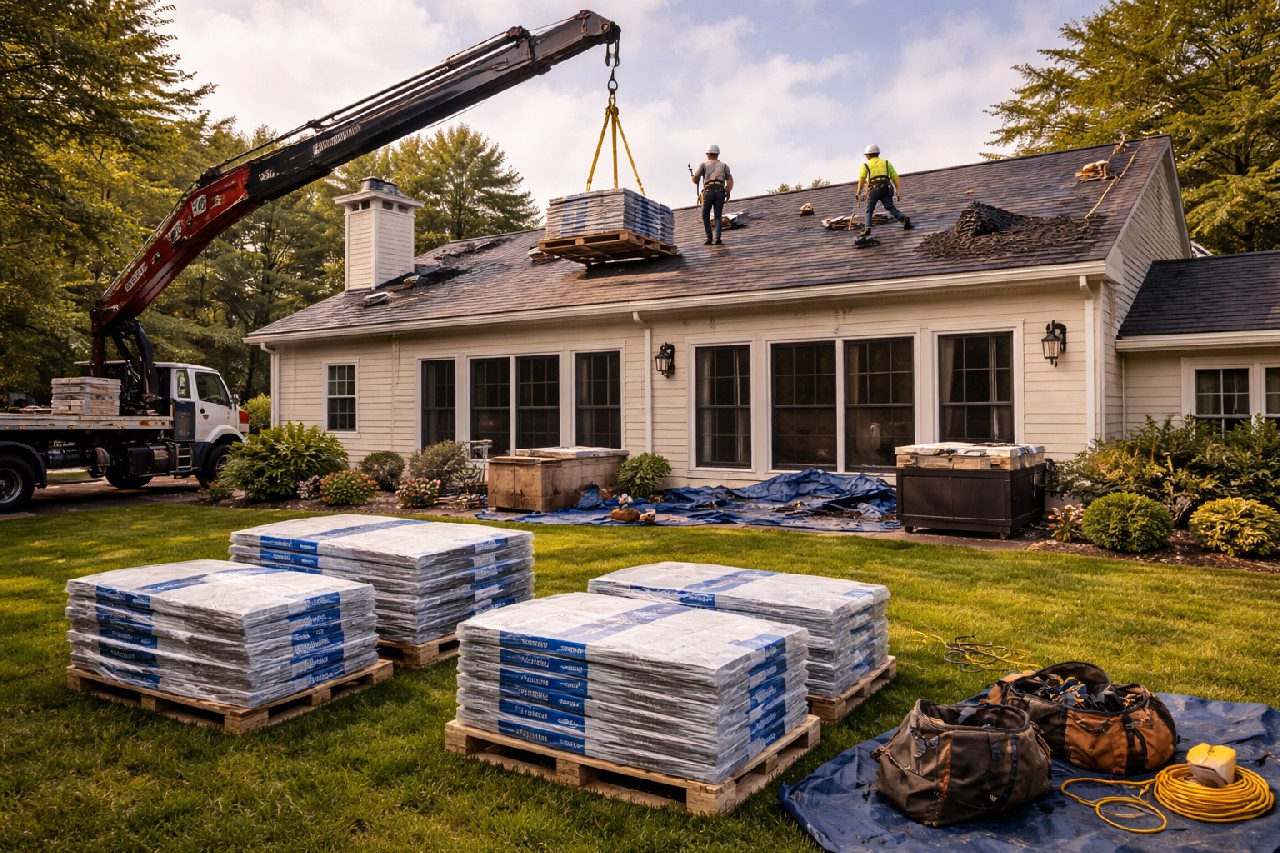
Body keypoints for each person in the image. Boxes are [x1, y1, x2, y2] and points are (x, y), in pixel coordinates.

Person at [852, 144, 911, 236]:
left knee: (869, 210)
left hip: (873, 189)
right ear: (877, 153)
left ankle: (867, 227)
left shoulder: (866, 165)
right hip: (886, 188)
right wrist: (898, 192)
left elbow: (862, 180)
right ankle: (903, 218)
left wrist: (858, 193)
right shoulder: (886, 163)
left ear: (868, 155)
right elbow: (896, 178)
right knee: (890, 207)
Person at [692, 144, 733, 245]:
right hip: (720, 192)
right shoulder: (724, 166)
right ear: (717, 154)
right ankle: (717, 237)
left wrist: (693, 177)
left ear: (708, 154)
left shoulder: (703, 165)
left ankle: (709, 237)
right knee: (718, 216)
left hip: (708, 192)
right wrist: (727, 190)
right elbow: (730, 182)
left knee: (705, 215)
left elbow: (696, 179)